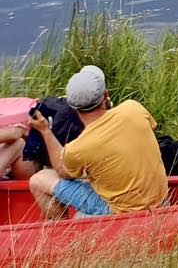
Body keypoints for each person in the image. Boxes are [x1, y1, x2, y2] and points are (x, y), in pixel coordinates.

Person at [28, 66, 167, 219]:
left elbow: (63, 172)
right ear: (105, 95)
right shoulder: (133, 108)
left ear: (72, 106)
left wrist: (45, 131)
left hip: (121, 211)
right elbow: (149, 131)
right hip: (161, 200)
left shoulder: (78, 148)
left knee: (39, 179)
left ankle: (63, 234)